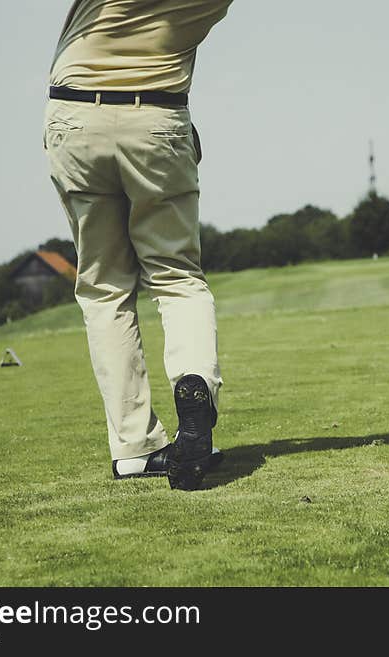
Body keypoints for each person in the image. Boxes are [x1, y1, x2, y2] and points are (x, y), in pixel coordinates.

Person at [43, 0, 233, 490]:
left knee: (104, 289)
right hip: (157, 118)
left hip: (74, 114)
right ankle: (193, 385)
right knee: (177, 277)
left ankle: (134, 448)